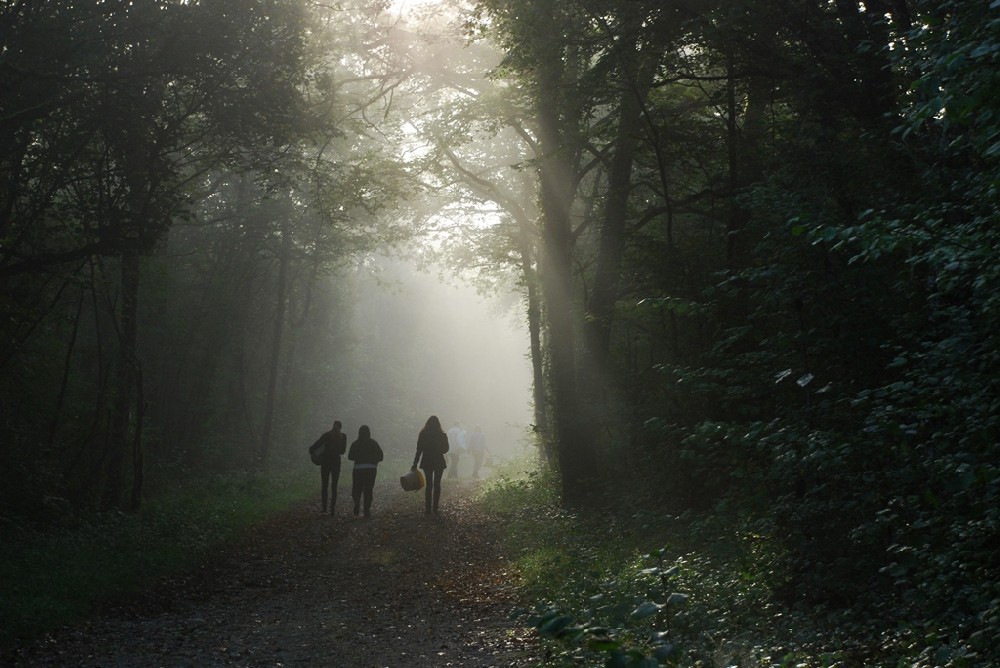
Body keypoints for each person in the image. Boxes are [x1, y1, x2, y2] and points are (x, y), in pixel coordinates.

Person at [412, 415, 449, 514]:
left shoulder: (423, 434)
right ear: (438, 424)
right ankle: (435, 508)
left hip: (427, 461)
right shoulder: (442, 435)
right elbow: (446, 450)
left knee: (429, 485)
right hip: (438, 461)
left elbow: (419, 450)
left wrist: (415, 463)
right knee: (437, 484)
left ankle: (428, 508)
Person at [311, 420, 347, 514]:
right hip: (336, 463)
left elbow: (314, 446)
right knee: (334, 486)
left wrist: (314, 453)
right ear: (340, 427)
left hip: (325, 462)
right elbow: (343, 451)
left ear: (333, 426)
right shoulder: (343, 437)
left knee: (324, 486)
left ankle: (324, 509)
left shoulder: (326, 435)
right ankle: (332, 509)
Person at [348, 425, 383, 517]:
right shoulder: (374, 443)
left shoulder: (355, 443)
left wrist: (359, 457)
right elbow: (381, 456)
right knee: (368, 489)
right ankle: (366, 510)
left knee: (357, 488)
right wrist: (374, 461)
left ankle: (356, 503)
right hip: (371, 469)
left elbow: (350, 456)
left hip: (358, 469)